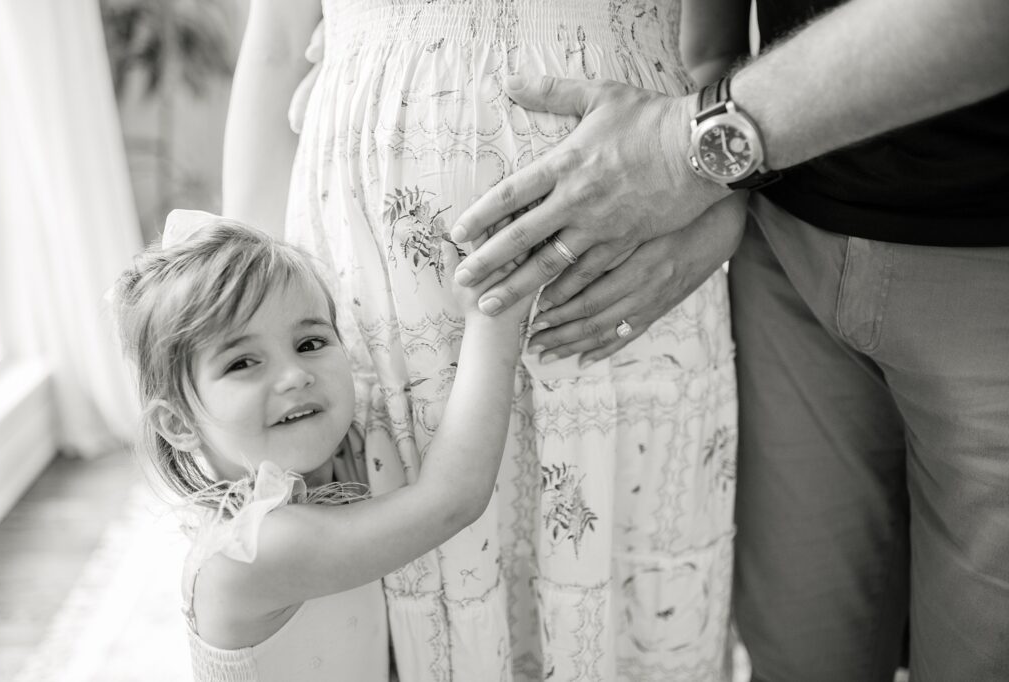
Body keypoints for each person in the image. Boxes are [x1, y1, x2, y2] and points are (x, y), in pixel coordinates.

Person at [448, 0, 1009, 680]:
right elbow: (709, 42)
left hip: (987, 267)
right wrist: (722, 182)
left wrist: (687, 152)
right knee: (799, 654)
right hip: (784, 253)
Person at [223, 1, 744, 679]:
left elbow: (736, 44)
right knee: (399, 554)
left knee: (629, 565)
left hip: (643, 224)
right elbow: (274, 47)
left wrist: (729, 203)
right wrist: (239, 328)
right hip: (379, 276)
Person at [110, 213, 532, 681]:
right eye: (243, 362)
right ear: (179, 422)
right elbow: (452, 500)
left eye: (310, 343)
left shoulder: (317, 479)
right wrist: (494, 313)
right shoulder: (258, 552)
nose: (295, 375)